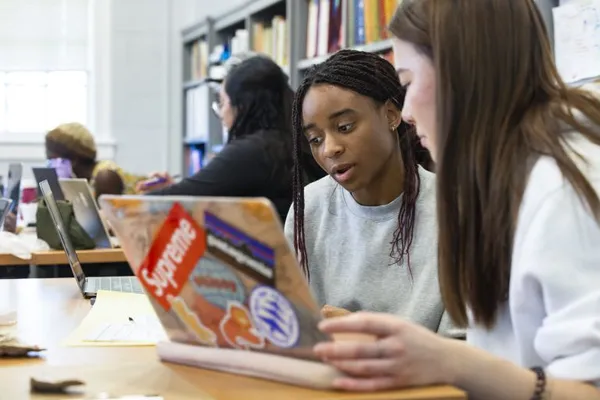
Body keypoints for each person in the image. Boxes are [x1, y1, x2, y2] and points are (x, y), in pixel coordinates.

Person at [312, 1, 600, 398]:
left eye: (409, 83)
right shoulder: (497, 179)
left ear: (460, 74)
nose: (408, 112)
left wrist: (449, 360)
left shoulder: (563, 186)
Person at [283, 49, 456, 336]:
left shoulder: (453, 210)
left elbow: (467, 348)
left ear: (391, 114)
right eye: (315, 139)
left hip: (425, 379)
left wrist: (372, 341)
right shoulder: (309, 207)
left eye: (344, 127)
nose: (329, 149)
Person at [139, 55, 323, 222]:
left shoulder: (254, 150)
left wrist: (157, 193)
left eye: (222, 102)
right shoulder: (295, 142)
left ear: (242, 106)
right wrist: (179, 187)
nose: (221, 113)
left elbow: (161, 203)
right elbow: (201, 192)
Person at [45, 122, 145, 198]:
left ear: (74, 159)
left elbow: (104, 222)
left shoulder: (105, 177)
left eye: (52, 158)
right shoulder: (80, 179)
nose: (51, 163)